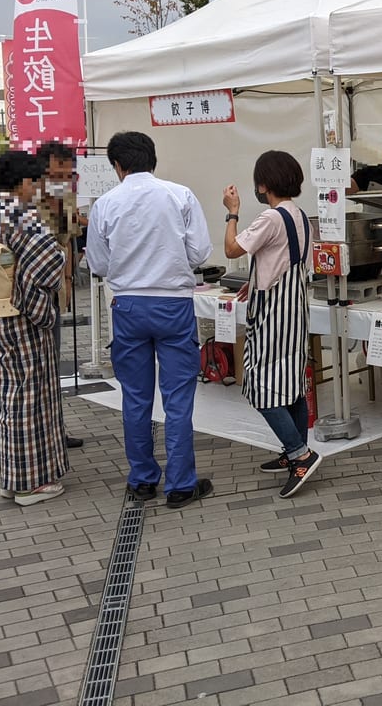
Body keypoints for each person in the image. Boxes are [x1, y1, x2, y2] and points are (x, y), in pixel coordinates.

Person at [85, 132, 214, 508]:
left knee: (136, 398)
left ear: (118, 165)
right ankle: (180, 484)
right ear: (152, 159)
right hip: (173, 304)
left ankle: (142, 479)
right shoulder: (180, 194)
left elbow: (99, 264)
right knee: (178, 399)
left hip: (127, 306)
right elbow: (200, 251)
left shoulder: (105, 204)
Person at [0, 150, 69, 506]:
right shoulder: (21, 216)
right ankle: (29, 483)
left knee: (8, 390)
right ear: (26, 182)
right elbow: (51, 259)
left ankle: (11, 475)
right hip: (22, 314)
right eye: (35, 182)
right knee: (30, 395)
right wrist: (28, 287)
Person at [222, 151, 321, 498]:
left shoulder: (270, 218)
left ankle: (300, 454)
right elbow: (286, 263)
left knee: (262, 390)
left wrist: (231, 212)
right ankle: (293, 451)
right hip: (295, 311)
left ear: (263, 184)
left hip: (272, 317)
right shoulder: (302, 218)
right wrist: (257, 277)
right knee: (291, 382)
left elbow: (232, 249)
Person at [35, 141, 85, 450]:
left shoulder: (65, 199)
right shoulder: (25, 200)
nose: (65, 175)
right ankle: (23, 433)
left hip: (54, 295)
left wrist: (67, 280)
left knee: (51, 365)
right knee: (31, 368)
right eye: (59, 169)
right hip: (28, 297)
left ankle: (54, 430)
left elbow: (70, 244)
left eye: (68, 170)